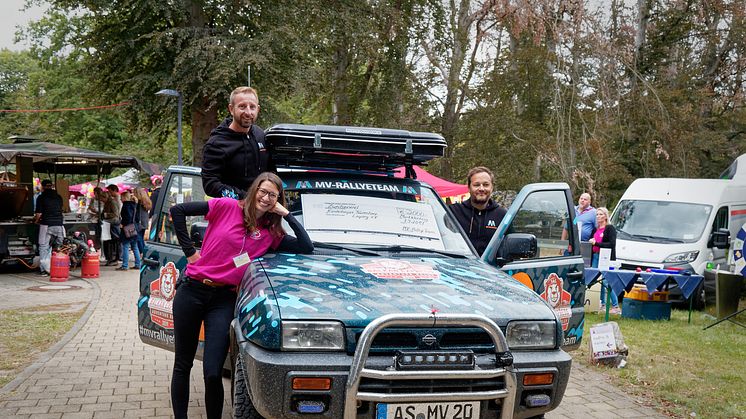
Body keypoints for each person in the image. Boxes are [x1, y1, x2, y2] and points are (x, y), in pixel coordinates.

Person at [169, 172, 313, 419]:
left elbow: (306, 246)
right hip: (192, 290)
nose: (266, 198)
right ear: (255, 189)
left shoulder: (271, 233)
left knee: (213, 370)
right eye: (263, 191)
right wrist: (190, 252)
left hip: (224, 300)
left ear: (278, 201)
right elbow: (178, 210)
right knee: (183, 363)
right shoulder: (226, 206)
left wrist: (286, 215)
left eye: (273, 196)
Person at [201, 86, 274, 199]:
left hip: (261, 209)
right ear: (231, 109)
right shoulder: (216, 144)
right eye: (242, 107)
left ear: (258, 109)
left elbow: (271, 171)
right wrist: (245, 197)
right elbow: (210, 185)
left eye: (252, 107)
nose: (248, 112)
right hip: (230, 212)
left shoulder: (260, 135)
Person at [449, 166, 507, 256]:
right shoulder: (453, 212)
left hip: (491, 268)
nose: (481, 189)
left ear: (492, 187)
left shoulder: (503, 216)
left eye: (486, 184)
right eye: (476, 185)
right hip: (459, 267)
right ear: (469, 187)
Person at [589, 207, 620, 314]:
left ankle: (616, 306)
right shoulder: (595, 229)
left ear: (605, 216)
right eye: (597, 214)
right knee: (594, 280)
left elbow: (611, 244)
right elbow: (591, 242)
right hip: (595, 256)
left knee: (606, 281)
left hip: (606, 258)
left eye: (601, 214)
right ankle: (600, 303)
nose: (598, 216)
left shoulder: (610, 228)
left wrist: (596, 243)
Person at [34, 179, 65, 276]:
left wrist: (35, 221)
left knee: (43, 247)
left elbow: (39, 214)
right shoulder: (58, 197)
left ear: (42, 187)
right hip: (59, 225)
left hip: (47, 225)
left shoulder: (41, 197)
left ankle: (44, 270)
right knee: (58, 247)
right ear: (51, 186)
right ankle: (57, 266)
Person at [117, 190, 141, 271]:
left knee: (126, 246)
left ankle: (125, 265)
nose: (120, 199)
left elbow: (127, 217)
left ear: (124, 197)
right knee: (135, 246)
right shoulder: (134, 205)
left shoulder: (126, 206)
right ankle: (138, 264)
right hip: (135, 227)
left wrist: (123, 224)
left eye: (121, 197)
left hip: (127, 227)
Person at [103, 185, 122, 265]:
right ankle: (112, 258)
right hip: (110, 223)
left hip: (113, 223)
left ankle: (115, 258)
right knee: (111, 241)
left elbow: (116, 214)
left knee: (114, 241)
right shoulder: (111, 201)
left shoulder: (114, 201)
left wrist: (106, 215)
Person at [133, 187, 152, 256]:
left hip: (139, 222)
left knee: (138, 238)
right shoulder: (146, 201)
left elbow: (136, 212)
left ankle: (143, 253)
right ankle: (144, 252)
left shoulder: (138, 202)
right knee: (141, 237)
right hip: (144, 222)